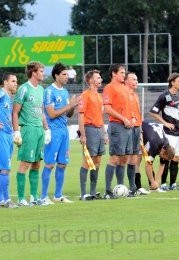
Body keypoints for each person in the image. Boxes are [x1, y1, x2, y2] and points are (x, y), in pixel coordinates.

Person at [12, 61, 51, 206]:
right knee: (25, 163)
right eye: (41, 71)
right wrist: (16, 131)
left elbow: (41, 111)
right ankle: (21, 198)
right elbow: (15, 112)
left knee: (36, 164)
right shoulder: (23, 89)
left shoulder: (41, 89)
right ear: (33, 72)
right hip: (28, 129)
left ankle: (34, 197)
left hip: (39, 129)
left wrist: (47, 129)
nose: (43, 73)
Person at [40, 63, 78, 205]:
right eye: (64, 74)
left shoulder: (65, 92)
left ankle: (58, 195)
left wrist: (73, 106)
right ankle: (43, 197)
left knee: (62, 164)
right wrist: (69, 105)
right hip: (54, 131)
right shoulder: (49, 91)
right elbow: (51, 113)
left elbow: (68, 114)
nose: (66, 77)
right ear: (56, 75)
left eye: (67, 75)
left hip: (64, 131)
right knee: (50, 164)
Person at [103, 63, 135, 199]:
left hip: (128, 126)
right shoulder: (109, 88)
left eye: (124, 72)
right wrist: (124, 119)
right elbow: (107, 109)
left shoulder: (125, 88)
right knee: (115, 158)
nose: (124, 74)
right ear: (114, 74)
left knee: (124, 158)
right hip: (117, 126)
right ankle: (108, 190)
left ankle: (121, 188)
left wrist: (132, 118)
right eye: (122, 72)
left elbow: (131, 105)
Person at [78, 70, 107, 200]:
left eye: (100, 77)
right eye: (98, 77)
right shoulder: (85, 95)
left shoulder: (99, 96)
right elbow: (81, 115)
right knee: (87, 161)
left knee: (98, 161)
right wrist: (83, 135)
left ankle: (93, 191)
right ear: (91, 81)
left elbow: (100, 116)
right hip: (90, 129)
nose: (100, 79)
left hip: (100, 130)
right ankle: (84, 193)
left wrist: (105, 133)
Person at [149, 72, 179, 191]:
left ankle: (173, 184)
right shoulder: (164, 96)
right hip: (169, 132)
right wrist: (165, 123)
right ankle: (163, 183)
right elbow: (153, 112)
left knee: (176, 158)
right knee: (167, 157)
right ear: (172, 82)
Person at [0, 72, 18, 208]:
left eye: (16, 81)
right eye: (13, 81)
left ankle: (0, 199)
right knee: (5, 169)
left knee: (1, 169)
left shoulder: (8, 97)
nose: (15, 84)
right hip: (0, 135)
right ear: (5, 82)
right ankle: (7, 200)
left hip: (7, 135)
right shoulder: (0, 94)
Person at [124, 72, 144, 196]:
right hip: (127, 128)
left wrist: (140, 129)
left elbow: (138, 113)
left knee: (134, 157)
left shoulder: (135, 95)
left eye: (137, 79)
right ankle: (123, 185)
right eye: (133, 79)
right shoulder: (123, 95)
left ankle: (133, 186)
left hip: (137, 128)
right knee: (124, 157)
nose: (136, 81)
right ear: (126, 81)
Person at [139, 121, 175, 190]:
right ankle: (137, 186)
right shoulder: (154, 145)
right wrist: (153, 181)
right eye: (164, 158)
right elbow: (148, 165)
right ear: (163, 151)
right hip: (139, 129)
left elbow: (162, 165)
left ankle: (152, 184)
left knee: (150, 162)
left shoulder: (166, 145)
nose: (164, 159)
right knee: (138, 159)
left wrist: (156, 181)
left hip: (152, 132)